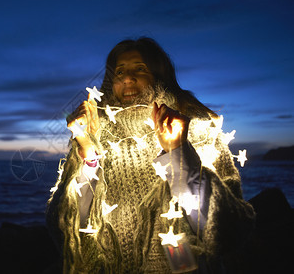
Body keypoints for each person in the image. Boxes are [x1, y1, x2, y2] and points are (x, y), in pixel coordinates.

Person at [46, 37, 255, 273]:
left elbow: (229, 229)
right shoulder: (95, 135)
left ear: (159, 75)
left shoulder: (197, 129)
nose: (127, 78)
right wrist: (88, 153)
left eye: (140, 68)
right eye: (120, 71)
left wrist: (177, 152)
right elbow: (65, 227)